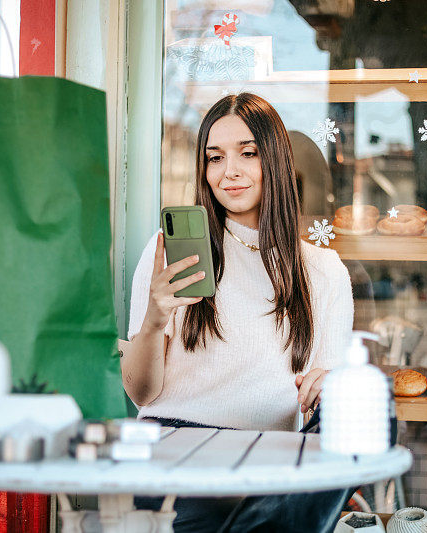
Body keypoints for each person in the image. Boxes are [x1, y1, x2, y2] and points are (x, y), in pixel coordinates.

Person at [122, 93, 354, 532]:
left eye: (248, 153)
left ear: (277, 161)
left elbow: (322, 404)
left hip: (268, 467)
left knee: (373, 409)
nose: (229, 171)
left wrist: (331, 389)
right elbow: (140, 393)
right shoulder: (169, 253)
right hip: (176, 457)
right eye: (214, 158)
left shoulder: (323, 272)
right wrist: (154, 322)